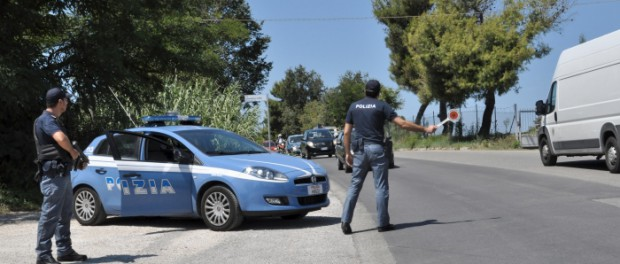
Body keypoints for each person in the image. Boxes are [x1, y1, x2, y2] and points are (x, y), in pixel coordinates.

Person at [340, 80, 437, 235]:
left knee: (354, 186)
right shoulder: (382, 106)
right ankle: (382, 224)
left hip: (359, 150)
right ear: (379, 92)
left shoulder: (354, 106)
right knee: (380, 187)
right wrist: (425, 128)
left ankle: (345, 221)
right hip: (377, 149)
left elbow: (346, 132)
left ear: (365, 91)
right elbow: (403, 124)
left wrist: (347, 153)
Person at [34, 87, 88, 264]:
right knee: (50, 215)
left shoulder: (54, 120)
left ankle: (64, 250)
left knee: (64, 215)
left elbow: (58, 147)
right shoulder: (46, 120)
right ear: (59, 102)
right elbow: (60, 139)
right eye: (66, 99)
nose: (68, 102)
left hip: (62, 174)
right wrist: (74, 153)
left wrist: (75, 158)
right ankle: (43, 255)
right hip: (53, 177)